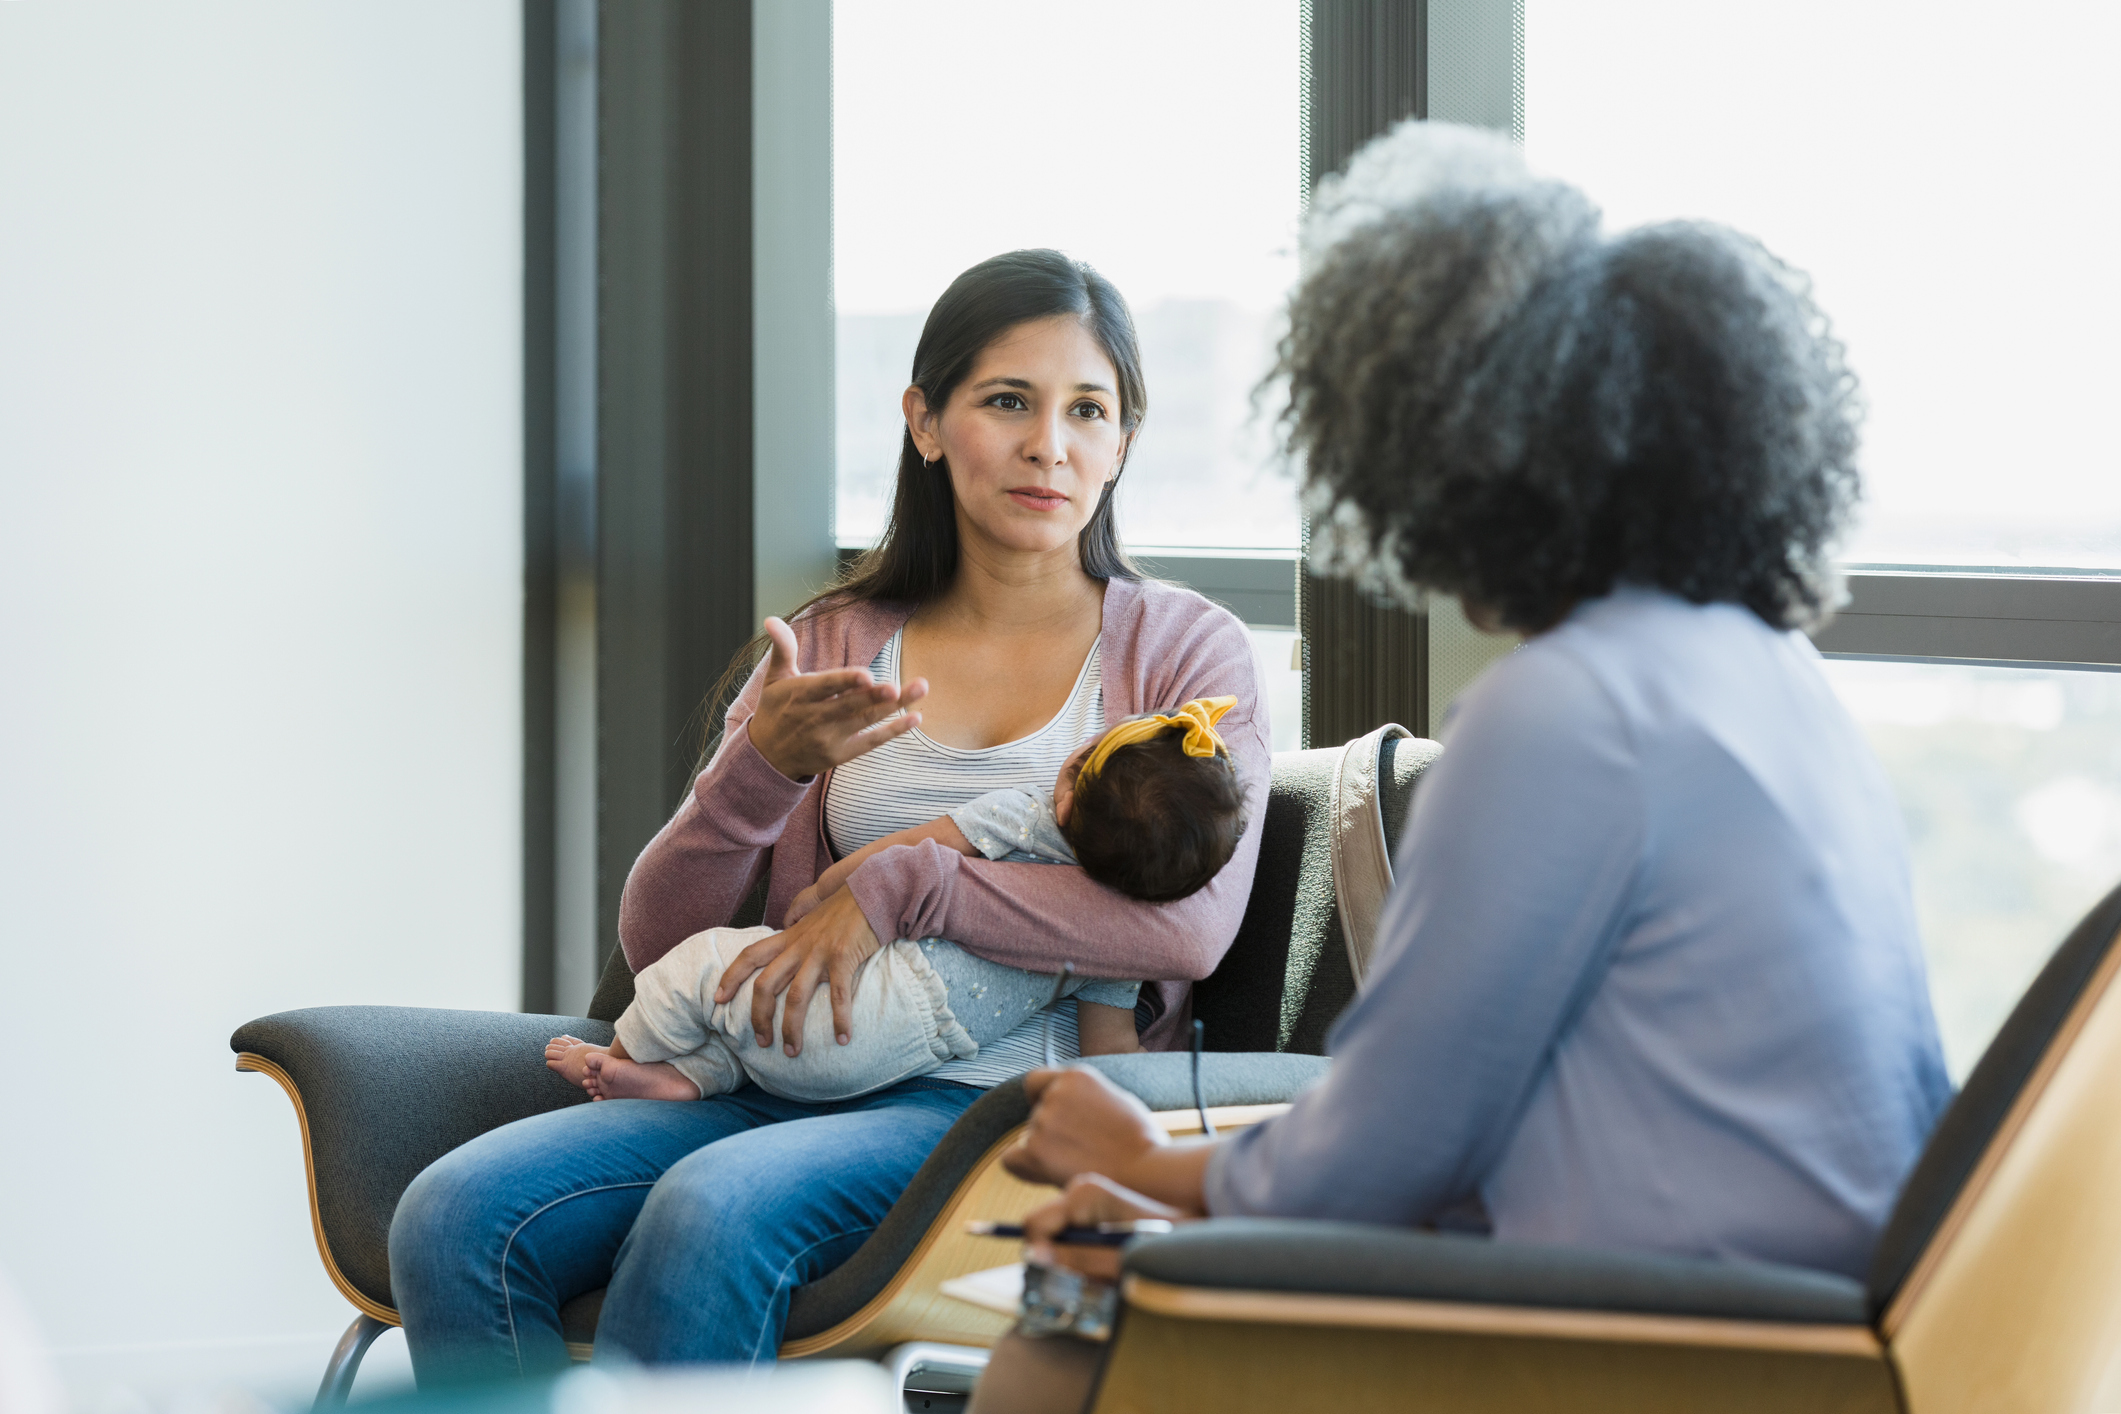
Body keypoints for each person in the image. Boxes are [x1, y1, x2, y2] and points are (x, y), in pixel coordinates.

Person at [968, 121, 1954, 1413]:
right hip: (1831, 1325)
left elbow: (1391, 1142)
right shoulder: (1765, 671)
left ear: (1457, 465)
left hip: (1683, 1341)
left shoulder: (1566, 708)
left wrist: (1153, 1165)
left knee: (1067, 1310)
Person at [386, 248, 1269, 1381]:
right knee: (455, 1213)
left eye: (1087, 410)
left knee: (716, 1212)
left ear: (1123, 444)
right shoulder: (842, 641)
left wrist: (913, 883)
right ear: (927, 420)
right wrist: (759, 769)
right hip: (778, 1074)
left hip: (987, 1111)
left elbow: (1185, 929)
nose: (1051, 443)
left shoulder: (1184, 652)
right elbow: (657, 943)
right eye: (1009, 401)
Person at [540, 698, 1245, 1103]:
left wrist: (825, 891)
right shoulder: (1117, 947)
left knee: (703, 965)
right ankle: (688, 1081)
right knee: (746, 1032)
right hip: (904, 1055)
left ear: (1068, 783)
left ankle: (621, 1052)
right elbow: (1108, 1052)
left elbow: (914, 849)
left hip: (868, 1001)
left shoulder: (1025, 817)